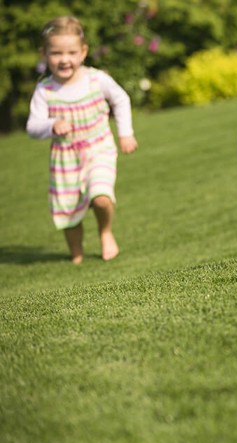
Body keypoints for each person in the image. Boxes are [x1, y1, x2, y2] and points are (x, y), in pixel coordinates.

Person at [27, 16, 138, 264]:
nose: (64, 59)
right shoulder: (44, 90)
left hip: (98, 148)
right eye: (56, 53)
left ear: (83, 52)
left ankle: (105, 232)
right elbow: (33, 127)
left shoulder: (96, 80)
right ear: (44, 54)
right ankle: (76, 252)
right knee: (68, 211)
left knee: (101, 196)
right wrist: (52, 125)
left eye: (71, 52)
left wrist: (125, 133)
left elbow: (120, 99)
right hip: (64, 158)